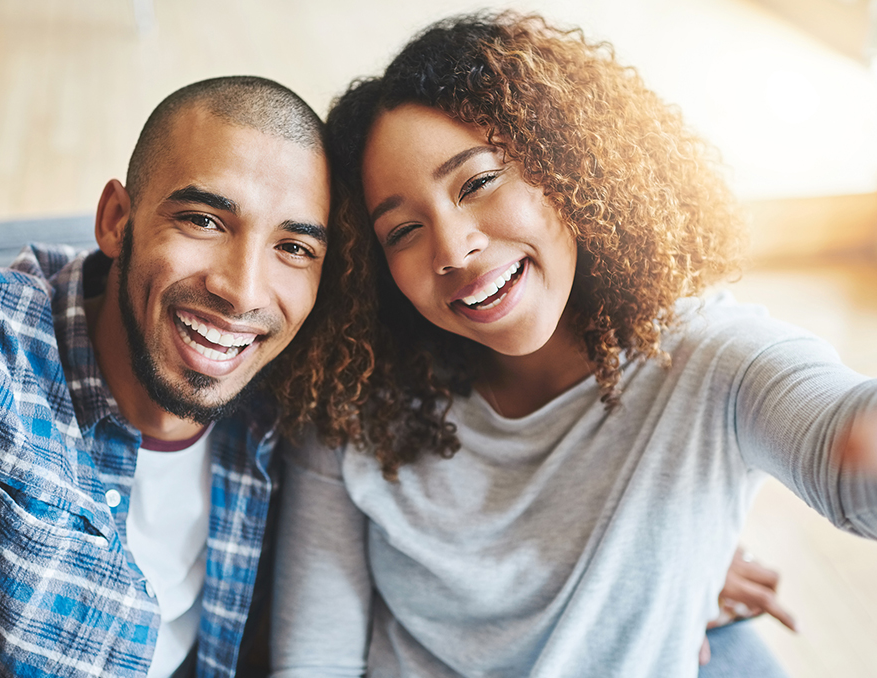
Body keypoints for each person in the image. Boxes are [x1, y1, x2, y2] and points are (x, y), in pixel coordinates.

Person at [270, 12, 877, 678]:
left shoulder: (711, 361)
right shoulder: (355, 396)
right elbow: (313, 656)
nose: (453, 248)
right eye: (402, 231)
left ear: (567, 167)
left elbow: (832, 436)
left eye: (477, 183)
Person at [0, 76, 368, 678]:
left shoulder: (291, 400)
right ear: (116, 221)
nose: (244, 291)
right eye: (205, 221)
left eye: (294, 248)